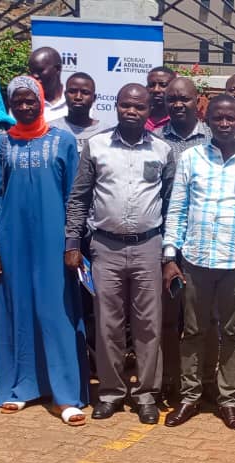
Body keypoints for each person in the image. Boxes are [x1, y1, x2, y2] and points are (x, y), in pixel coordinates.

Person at [162, 94, 235, 432]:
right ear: (207, 121)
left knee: (232, 333)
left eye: (230, 118)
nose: (224, 124)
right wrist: (170, 256)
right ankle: (190, 397)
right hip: (195, 260)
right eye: (217, 118)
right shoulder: (191, 159)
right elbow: (177, 209)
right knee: (193, 331)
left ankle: (228, 400)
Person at [65, 83, 175, 426]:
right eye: (126, 105)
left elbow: (171, 204)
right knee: (107, 324)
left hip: (148, 247)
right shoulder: (96, 146)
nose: (132, 111)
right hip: (105, 247)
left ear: (149, 111)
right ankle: (111, 393)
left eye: (139, 107)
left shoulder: (162, 150)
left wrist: (170, 252)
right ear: (116, 106)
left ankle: (146, 395)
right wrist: (72, 243)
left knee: (148, 325)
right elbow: (79, 197)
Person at [0, 76, 88, 426]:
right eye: (18, 101)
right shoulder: (2, 144)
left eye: (30, 100)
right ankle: (21, 387)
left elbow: (75, 195)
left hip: (53, 239)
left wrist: (73, 242)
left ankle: (66, 396)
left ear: (41, 101)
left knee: (55, 311)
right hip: (13, 238)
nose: (24, 106)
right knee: (18, 308)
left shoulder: (63, 141)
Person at [154, 76, 213, 404]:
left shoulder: (212, 138)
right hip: (164, 241)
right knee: (168, 318)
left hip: (203, 243)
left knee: (202, 319)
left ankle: (202, 381)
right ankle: (169, 379)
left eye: (184, 99)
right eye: (172, 99)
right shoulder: (154, 140)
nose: (177, 104)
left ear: (197, 101)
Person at [50, 72, 107, 152]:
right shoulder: (51, 129)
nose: (78, 97)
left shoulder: (106, 132)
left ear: (94, 98)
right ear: (65, 95)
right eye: (72, 91)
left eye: (85, 93)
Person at [28, 46, 67, 122]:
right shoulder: (26, 104)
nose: (34, 76)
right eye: (32, 72)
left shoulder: (75, 101)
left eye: (40, 70)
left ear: (58, 69)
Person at [145, 66, 175, 132]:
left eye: (163, 85)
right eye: (151, 85)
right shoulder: (139, 117)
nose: (156, 90)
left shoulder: (178, 119)